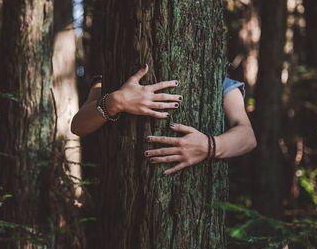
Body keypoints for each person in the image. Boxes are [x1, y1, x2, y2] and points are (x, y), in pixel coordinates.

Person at [71, 64, 257, 175]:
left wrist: (209, 146)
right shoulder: (112, 75)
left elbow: (247, 136)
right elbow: (78, 125)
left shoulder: (218, 81)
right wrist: (116, 101)